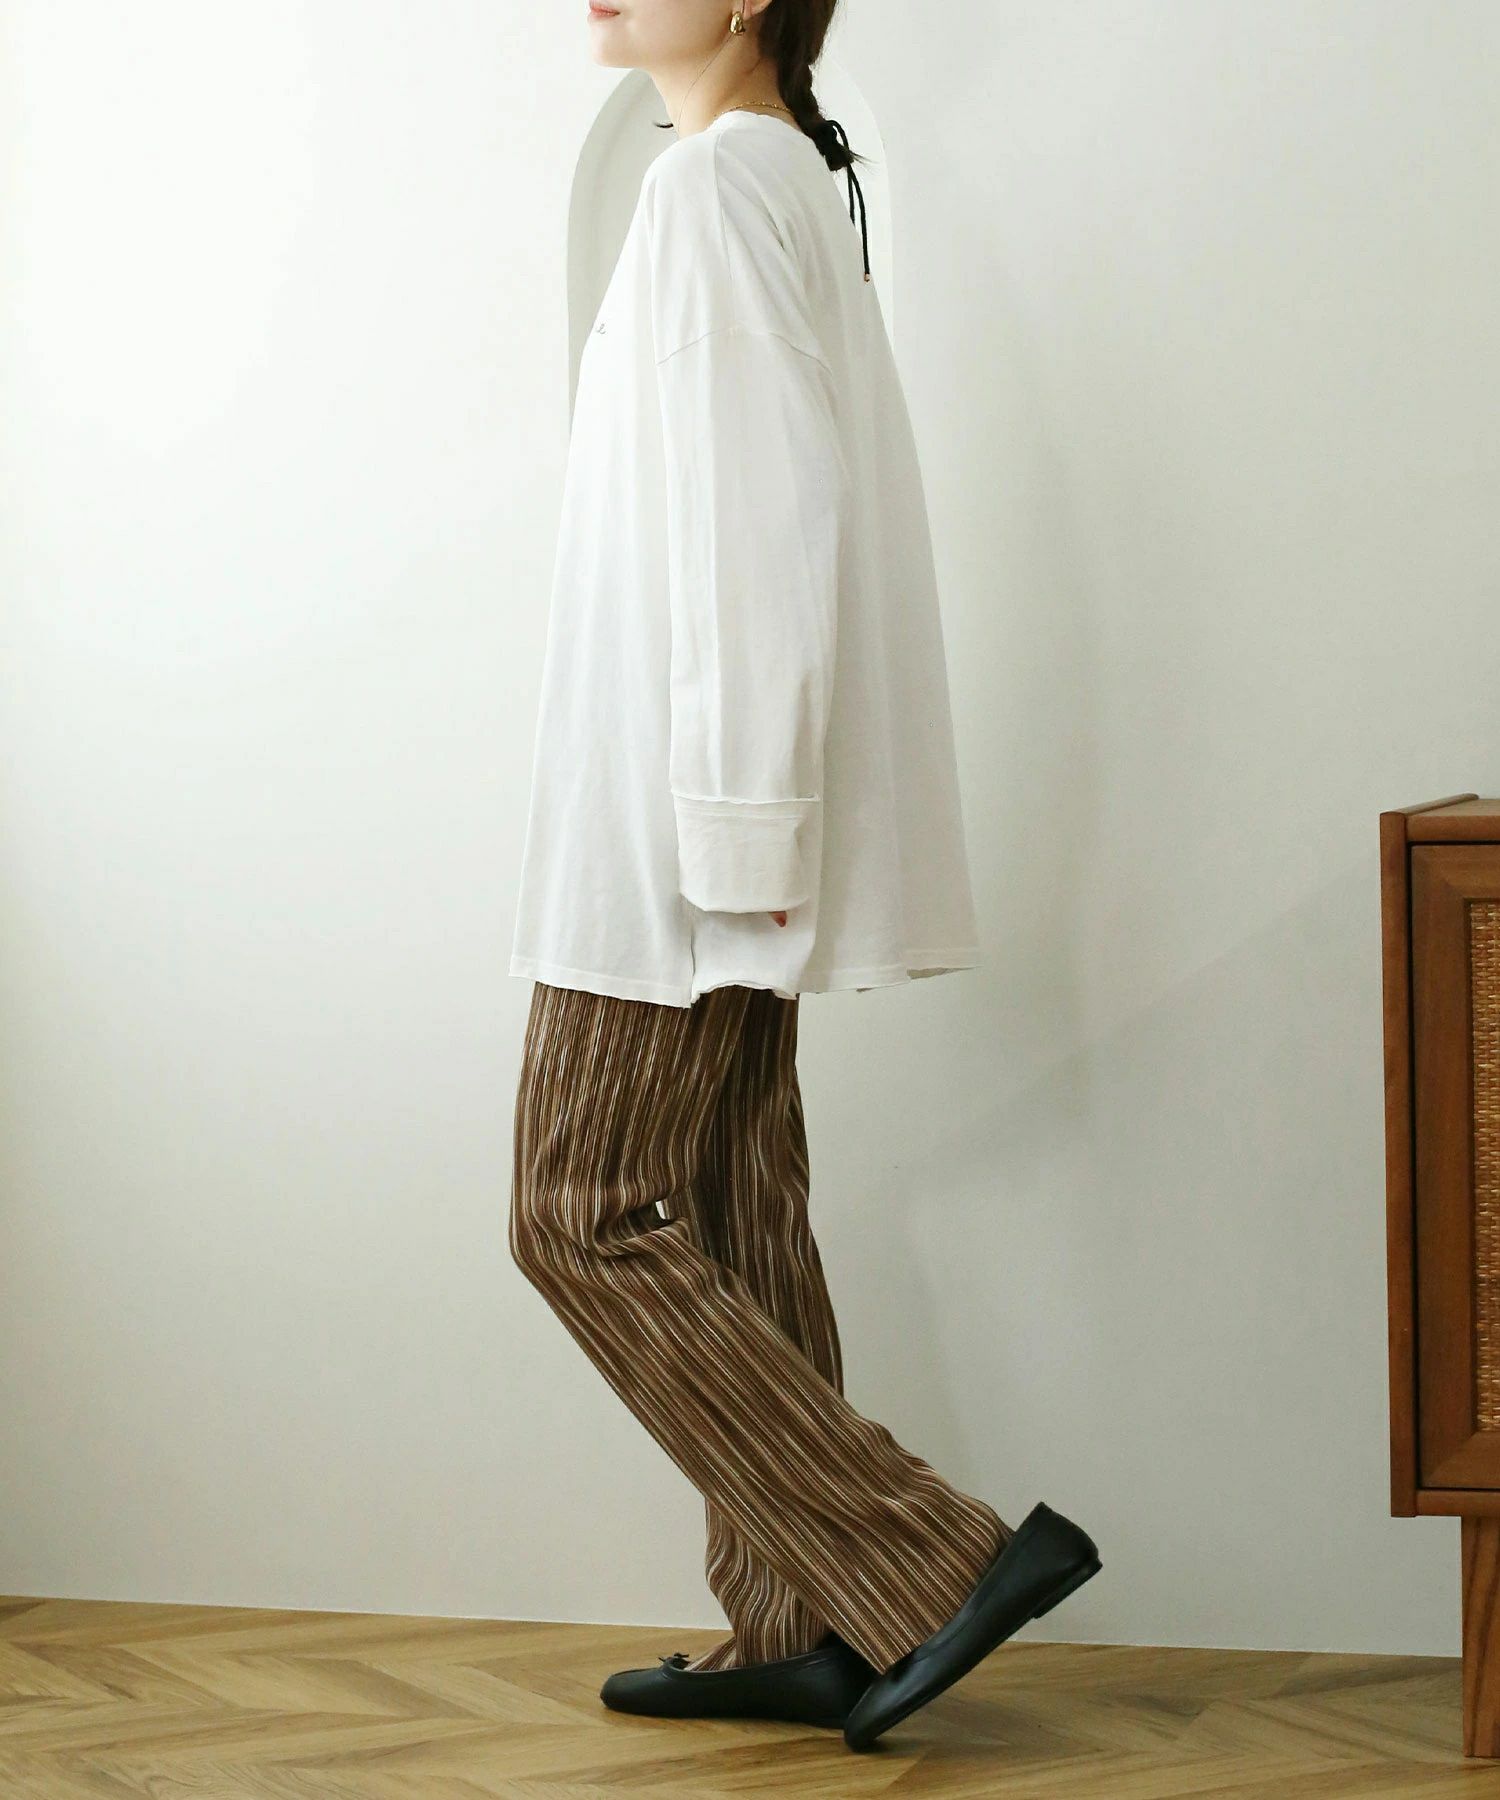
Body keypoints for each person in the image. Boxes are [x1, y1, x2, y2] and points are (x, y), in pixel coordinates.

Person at [507, 0, 1101, 1753]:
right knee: (730, 1190)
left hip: (681, 826)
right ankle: (807, 1620)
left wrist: (743, 821)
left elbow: (760, 529)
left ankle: (927, 1562)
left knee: (579, 1210)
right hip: (707, 805)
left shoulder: (715, 190)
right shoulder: (764, 176)